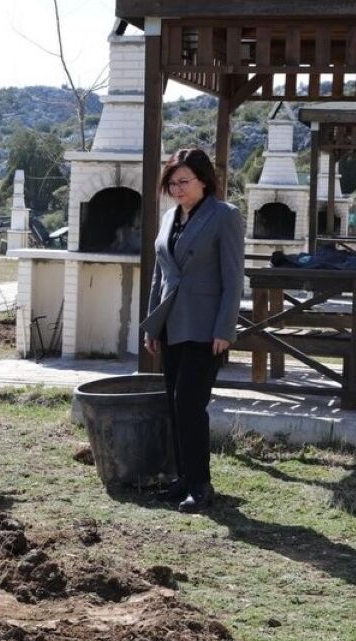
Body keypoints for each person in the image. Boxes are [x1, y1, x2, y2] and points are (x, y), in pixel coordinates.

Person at [140, 148, 245, 512]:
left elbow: (234, 279)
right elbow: (160, 274)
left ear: (204, 181)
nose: (178, 189)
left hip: (206, 327)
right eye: (172, 183)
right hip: (171, 324)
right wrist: (153, 324)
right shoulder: (170, 217)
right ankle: (183, 478)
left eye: (184, 181)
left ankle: (201, 486)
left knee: (190, 403)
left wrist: (225, 328)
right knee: (173, 402)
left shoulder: (225, 216)